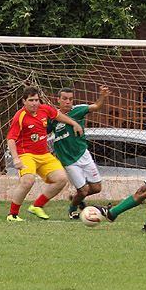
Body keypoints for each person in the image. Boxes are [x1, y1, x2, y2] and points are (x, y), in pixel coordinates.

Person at [6, 86, 83, 221]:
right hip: (26, 155)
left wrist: (74, 123)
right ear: (24, 101)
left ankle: (37, 206)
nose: (35, 103)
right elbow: (11, 138)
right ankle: (12, 215)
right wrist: (16, 158)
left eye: (36, 100)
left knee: (61, 179)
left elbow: (59, 116)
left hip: (44, 154)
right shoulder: (20, 116)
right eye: (31, 100)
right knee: (27, 181)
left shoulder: (44, 109)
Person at [49, 86, 110, 219]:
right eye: (64, 99)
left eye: (70, 99)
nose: (68, 102)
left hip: (83, 154)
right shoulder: (53, 117)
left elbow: (96, 106)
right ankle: (72, 209)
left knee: (96, 188)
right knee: (83, 190)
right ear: (58, 100)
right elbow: (44, 131)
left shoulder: (78, 110)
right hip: (68, 160)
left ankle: (76, 198)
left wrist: (103, 97)